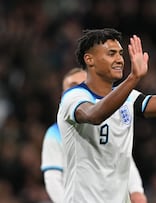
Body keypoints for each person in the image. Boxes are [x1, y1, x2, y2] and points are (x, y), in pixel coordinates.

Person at [57, 28, 156, 202]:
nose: (120, 59)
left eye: (120, 54)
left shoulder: (128, 97)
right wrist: (133, 78)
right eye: (111, 53)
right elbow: (95, 115)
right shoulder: (73, 97)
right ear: (89, 59)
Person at [41, 68, 147, 203]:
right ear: (63, 95)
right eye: (73, 86)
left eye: (84, 84)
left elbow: (123, 158)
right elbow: (53, 178)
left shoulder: (109, 123)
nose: (79, 91)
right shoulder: (54, 134)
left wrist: (136, 191)